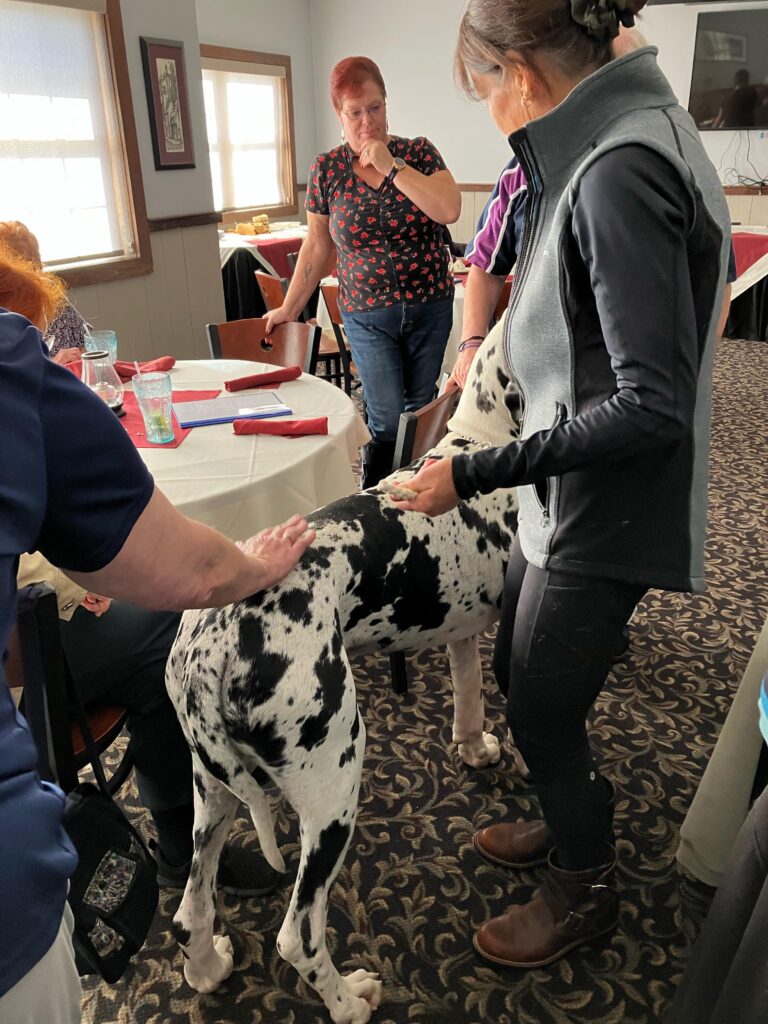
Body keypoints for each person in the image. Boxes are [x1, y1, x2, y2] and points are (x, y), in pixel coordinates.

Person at [393, 0, 731, 968]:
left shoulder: (619, 169)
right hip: (568, 490)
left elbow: (652, 404)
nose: (491, 108)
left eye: (486, 87)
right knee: (520, 671)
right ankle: (565, 797)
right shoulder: (612, 135)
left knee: (539, 702)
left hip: (604, 503)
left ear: (525, 76)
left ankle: (585, 886)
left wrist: (473, 470)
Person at [0, 243, 315, 1022]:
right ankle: (180, 848)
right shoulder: (13, 368)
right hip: (11, 856)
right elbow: (193, 573)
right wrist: (256, 565)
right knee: (162, 635)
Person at [16, 552, 278, 894]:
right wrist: (78, 581)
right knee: (174, 624)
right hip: (19, 655)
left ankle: (182, 842)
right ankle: (184, 844)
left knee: (150, 654)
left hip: (31, 605)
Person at [265, 56, 461, 488]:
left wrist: (392, 166)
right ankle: (378, 497)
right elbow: (317, 246)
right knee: (387, 417)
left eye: (374, 108)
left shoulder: (418, 153)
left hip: (430, 304)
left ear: (386, 105)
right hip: (367, 314)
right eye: (355, 112)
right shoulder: (328, 169)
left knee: (418, 410)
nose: (367, 121)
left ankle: (416, 499)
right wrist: (288, 307)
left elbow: (449, 208)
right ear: (340, 115)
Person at [0, 220, 88, 364]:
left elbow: (85, 348)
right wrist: (54, 364)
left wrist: (82, 363)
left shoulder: (51, 295)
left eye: (33, 265)